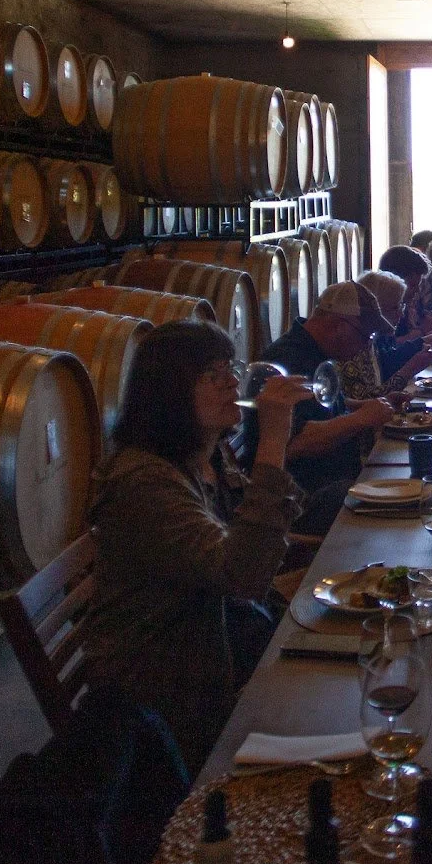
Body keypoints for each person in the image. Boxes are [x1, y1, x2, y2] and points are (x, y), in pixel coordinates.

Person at [83, 321, 315, 775]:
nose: (232, 382)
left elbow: (250, 549)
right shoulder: (144, 481)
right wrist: (273, 440)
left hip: (219, 645)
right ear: (169, 392)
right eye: (212, 374)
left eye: (229, 368)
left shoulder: (202, 457)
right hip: (167, 696)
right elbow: (242, 575)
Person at [251, 281, 399, 535]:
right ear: (339, 325)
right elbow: (295, 443)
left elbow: (323, 406)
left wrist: (363, 406)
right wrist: (360, 419)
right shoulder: (288, 361)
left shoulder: (316, 352)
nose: (366, 346)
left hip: (335, 482)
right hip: (305, 499)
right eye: (364, 336)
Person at [378, 244, 432, 342]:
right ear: (394, 280)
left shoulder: (406, 304)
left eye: (418, 285)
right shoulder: (384, 309)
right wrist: (422, 331)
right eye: (412, 285)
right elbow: (389, 347)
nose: (417, 290)